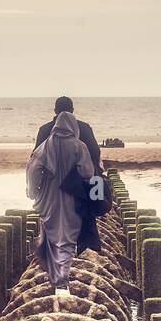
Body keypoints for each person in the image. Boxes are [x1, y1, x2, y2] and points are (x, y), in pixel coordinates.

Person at [26, 109, 95, 294]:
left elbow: (32, 168)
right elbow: (88, 173)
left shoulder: (45, 146)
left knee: (51, 231)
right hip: (72, 195)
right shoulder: (79, 146)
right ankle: (61, 280)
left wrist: (33, 192)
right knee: (68, 235)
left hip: (49, 195)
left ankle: (55, 274)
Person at [34, 96, 101, 173]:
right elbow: (95, 152)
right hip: (79, 178)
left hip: (50, 177)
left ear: (55, 110)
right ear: (72, 110)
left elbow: (36, 156)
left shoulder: (44, 129)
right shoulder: (84, 128)